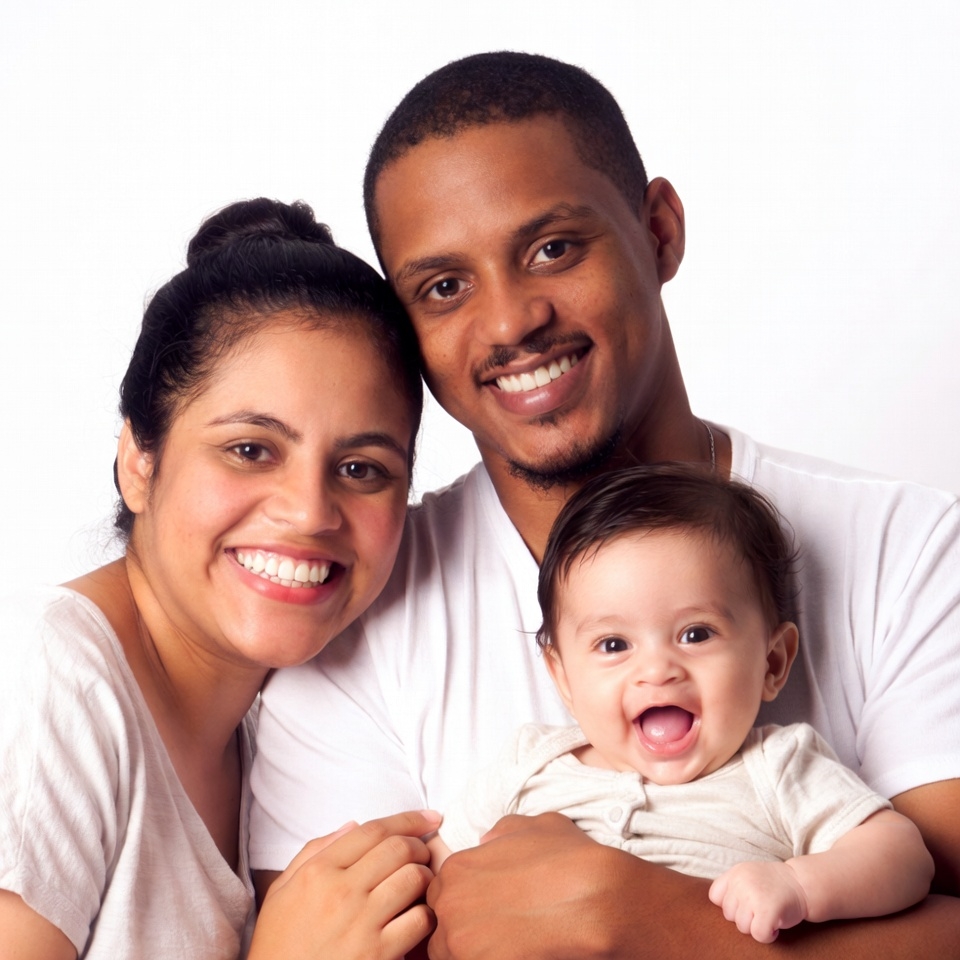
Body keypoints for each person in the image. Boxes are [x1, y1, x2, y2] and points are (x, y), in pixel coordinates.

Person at [250, 53, 960, 958]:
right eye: (444, 287)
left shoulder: (907, 550)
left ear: (659, 232)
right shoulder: (358, 628)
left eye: (553, 248)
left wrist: (655, 923)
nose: (510, 322)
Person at [0, 198, 440, 960]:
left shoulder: (287, 722)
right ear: (140, 463)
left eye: (361, 468)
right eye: (250, 450)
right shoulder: (48, 683)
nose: (309, 512)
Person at [430, 465, 934, 943]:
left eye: (696, 634)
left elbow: (902, 855)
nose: (657, 670)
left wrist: (800, 886)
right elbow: (443, 868)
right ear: (563, 677)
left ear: (772, 662)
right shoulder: (529, 765)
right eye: (614, 644)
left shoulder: (778, 769)